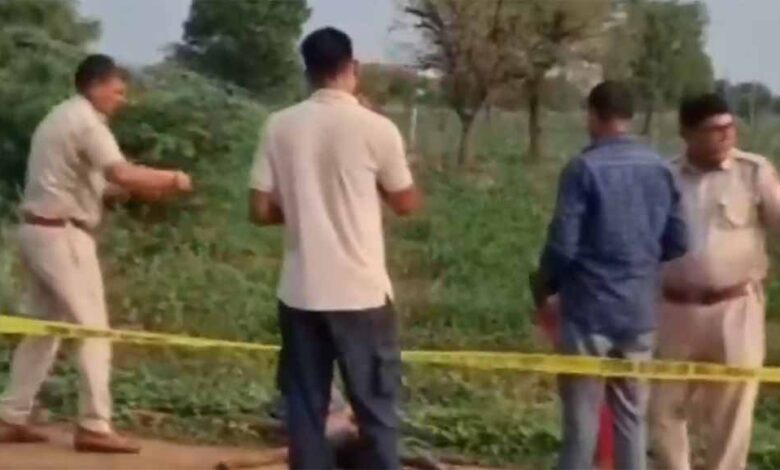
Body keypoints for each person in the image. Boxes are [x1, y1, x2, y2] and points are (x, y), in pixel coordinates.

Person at [248, 27, 422, 470]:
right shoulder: (376, 128)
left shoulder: (279, 125)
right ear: (353, 68)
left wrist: (304, 207)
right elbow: (406, 203)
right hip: (360, 292)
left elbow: (259, 210)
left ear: (307, 71)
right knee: (375, 406)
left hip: (301, 291)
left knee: (306, 410)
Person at [0, 54, 192, 453]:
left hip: (40, 230)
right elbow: (120, 173)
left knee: (44, 331)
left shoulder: (61, 117)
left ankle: (11, 415)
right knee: (94, 330)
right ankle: (94, 425)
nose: (123, 99)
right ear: (96, 85)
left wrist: (146, 187)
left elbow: (104, 186)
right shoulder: (88, 123)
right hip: (63, 235)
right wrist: (172, 178)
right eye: (118, 91)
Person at [535, 81, 688, 470]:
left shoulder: (583, 168)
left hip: (588, 311)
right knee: (631, 418)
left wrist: (546, 284)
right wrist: (641, 264)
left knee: (582, 422)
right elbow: (679, 240)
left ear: (593, 115)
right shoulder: (661, 169)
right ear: (629, 116)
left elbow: (563, 245)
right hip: (638, 312)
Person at [650, 94, 780, 470]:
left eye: (730, 127)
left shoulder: (753, 172)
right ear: (687, 133)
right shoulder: (664, 177)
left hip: (735, 308)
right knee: (663, 407)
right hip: (673, 309)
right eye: (714, 129)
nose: (726, 135)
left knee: (733, 409)